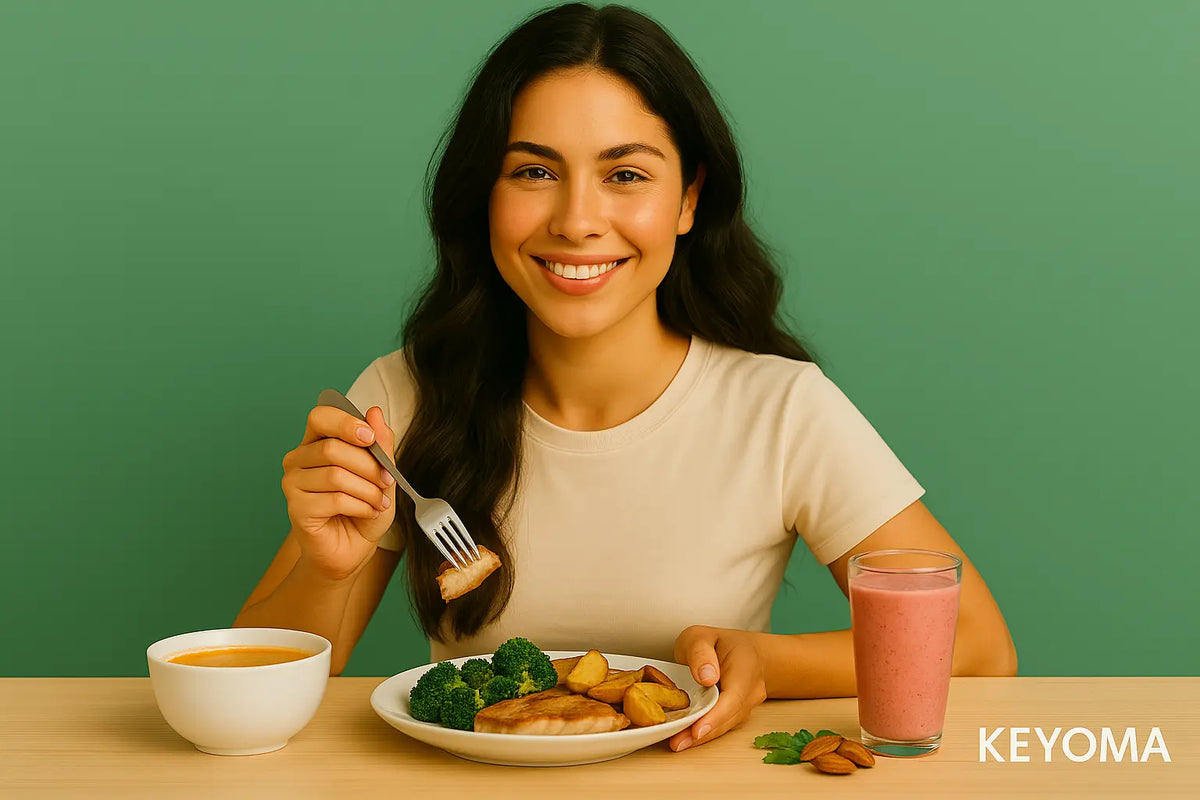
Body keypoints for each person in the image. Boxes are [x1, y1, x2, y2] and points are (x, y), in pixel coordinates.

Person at [235, 2, 1017, 751]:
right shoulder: (401, 402)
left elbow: (978, 646)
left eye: (627, 175)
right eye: (535, 172)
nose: (577, 219)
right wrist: (323, 565)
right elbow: (247, 695)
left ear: (689, 199)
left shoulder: (781, 409)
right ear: (485, 196)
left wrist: (770, 665)